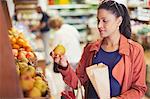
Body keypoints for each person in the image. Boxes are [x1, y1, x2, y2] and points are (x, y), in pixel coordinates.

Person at [50, 1, 147, 99]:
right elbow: (77, 83)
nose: (99, 26)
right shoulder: (90, 49)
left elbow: (138, 88)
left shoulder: (135, 51)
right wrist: (64, 66)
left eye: (105, 21)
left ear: (119, 21)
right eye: (98, 21)